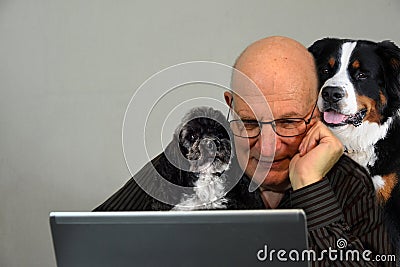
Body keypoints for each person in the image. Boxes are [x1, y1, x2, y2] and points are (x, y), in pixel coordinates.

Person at [95, 36, 394, 265]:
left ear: (316, 112)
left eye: (288, 122)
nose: (268, 146)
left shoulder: (355, 182)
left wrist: (311, 187)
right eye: (250, 122)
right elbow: (91, 242)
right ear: (231, 105)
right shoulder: (197, 147)